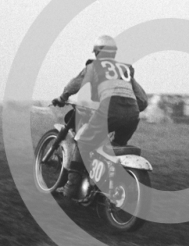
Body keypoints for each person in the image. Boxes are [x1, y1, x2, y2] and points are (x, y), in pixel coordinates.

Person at [52, 35, 148, 197]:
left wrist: (62, 98)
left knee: (81, 140)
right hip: (132, 117)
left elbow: (74, 84)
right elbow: (143, 100)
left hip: (109, 113)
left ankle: (71, 186)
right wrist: (127, 109)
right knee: (113, 148)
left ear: (96, 52)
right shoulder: (125, 69)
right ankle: (106, 180)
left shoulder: (94, 67)